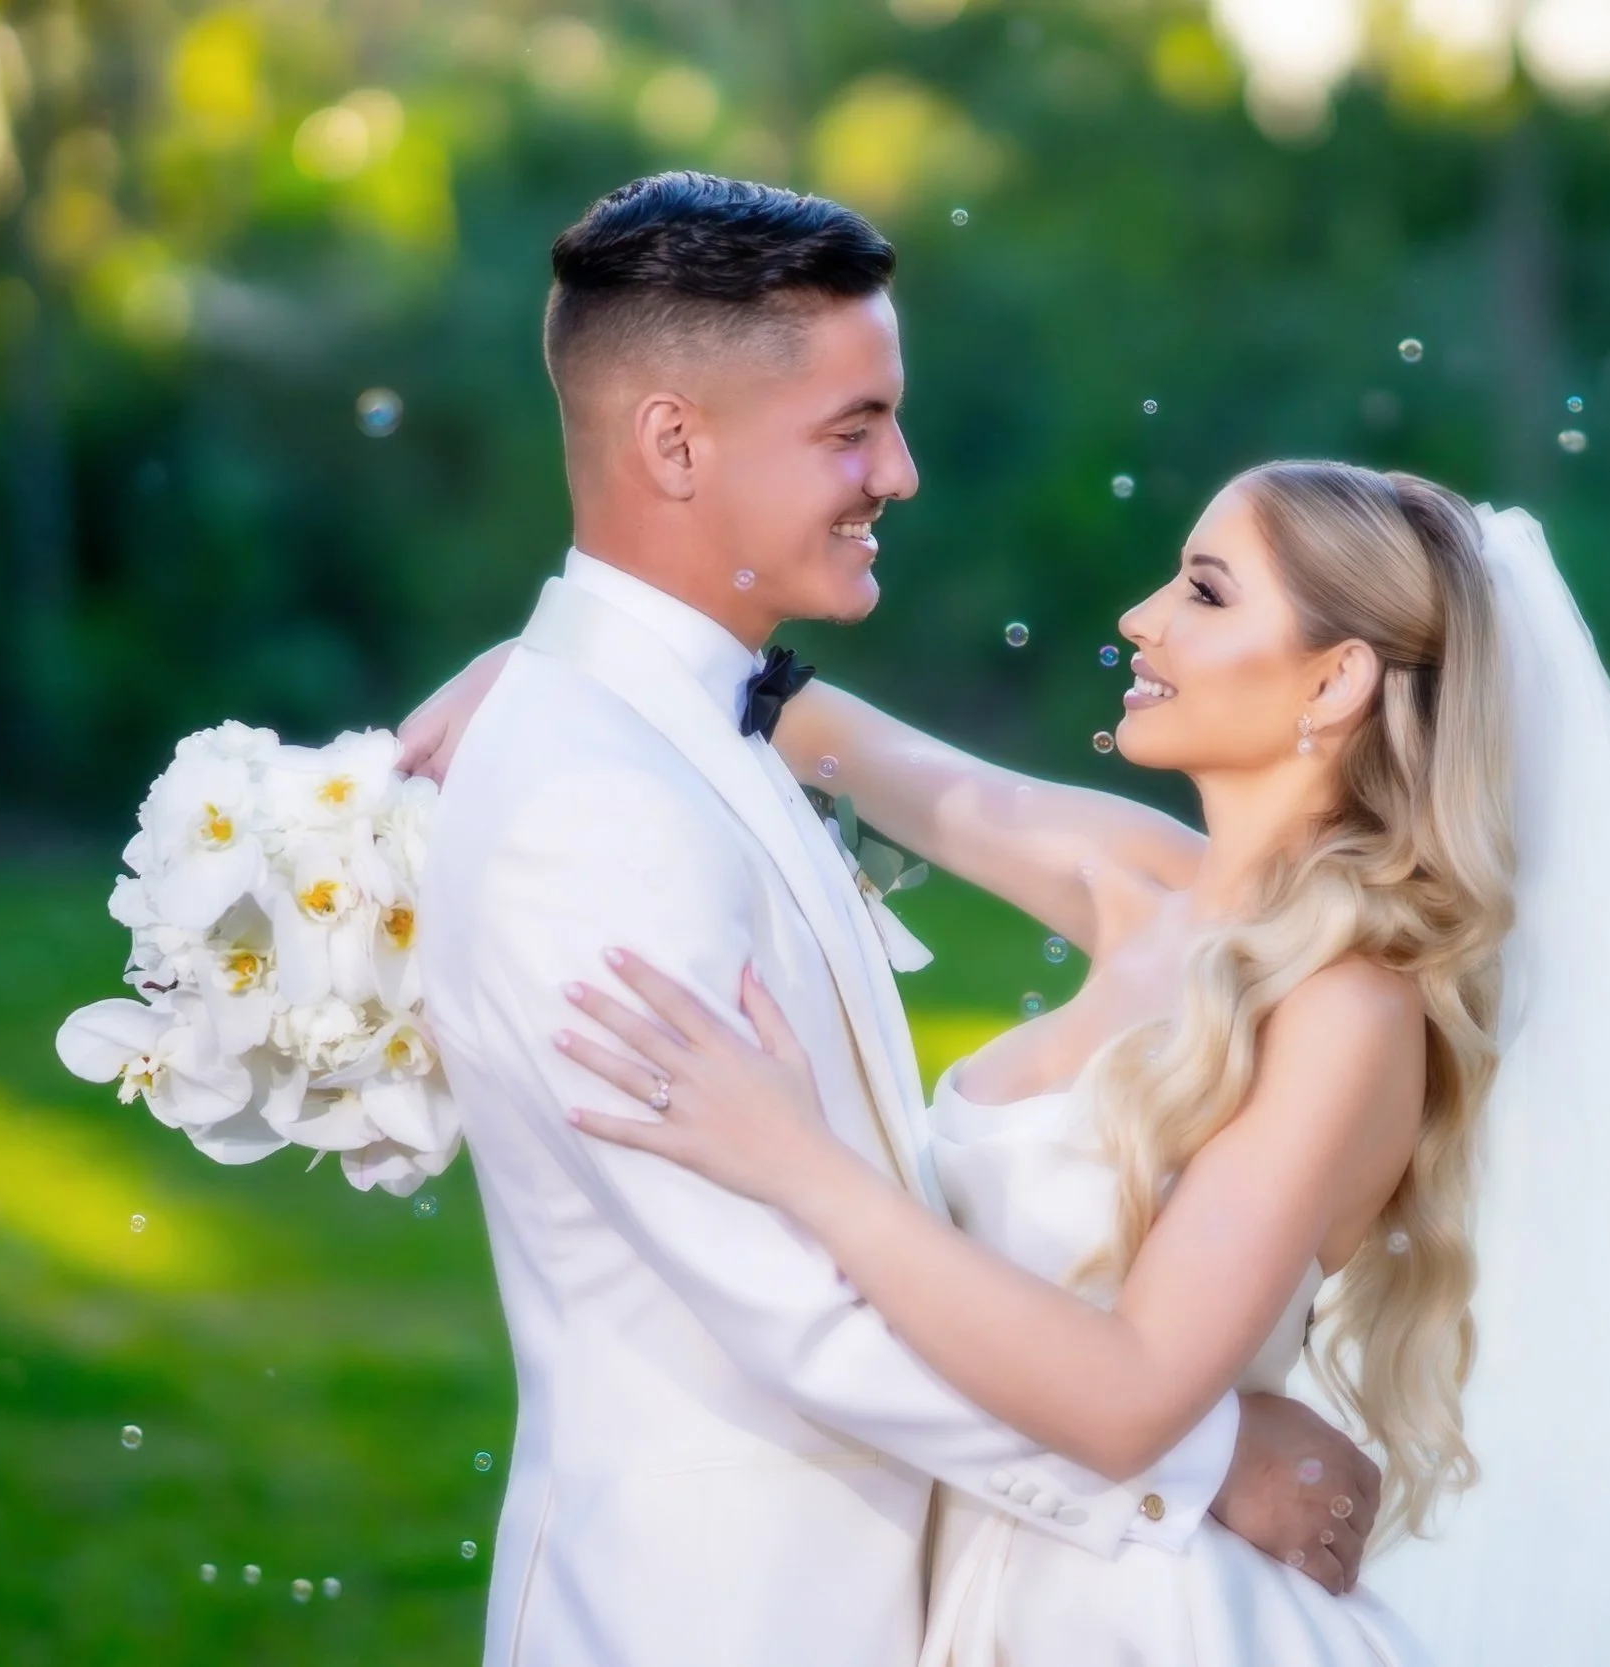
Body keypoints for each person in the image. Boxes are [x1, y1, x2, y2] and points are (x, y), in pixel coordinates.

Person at [400, 173, 1380, 1667]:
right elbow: (791, 1308)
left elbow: (899, 769)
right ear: (673, 439)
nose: (902, 474)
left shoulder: (686, 726)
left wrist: (557, 656)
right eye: (853, 430)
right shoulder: (589, 802)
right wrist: (1198, 1459)